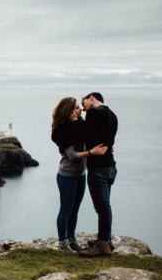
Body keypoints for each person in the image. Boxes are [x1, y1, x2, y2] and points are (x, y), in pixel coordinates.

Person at [51, 97, 108, 252]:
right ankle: (62, 243)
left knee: (75, 209)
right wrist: (91, 152)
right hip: (66, 176)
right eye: (76, 107)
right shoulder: (62, 131)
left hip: (80, 174)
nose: (80, 109)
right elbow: (72, 155)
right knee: (65, 210)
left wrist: (105, 149)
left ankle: (71, 239)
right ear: (68, 111)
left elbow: (89, 136)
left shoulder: (79, 126)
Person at [78, 92, 118, 257]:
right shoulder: (112, 114)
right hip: (110, 167)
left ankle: (102, 245)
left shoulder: (94, 113)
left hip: (98, 168)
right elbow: (108, 140)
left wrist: (77, 120)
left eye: (84, 102)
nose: (83, 107)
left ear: (92, 98)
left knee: (102, 208)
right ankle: (105, 239)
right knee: (105, 205)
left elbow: (84, 135)